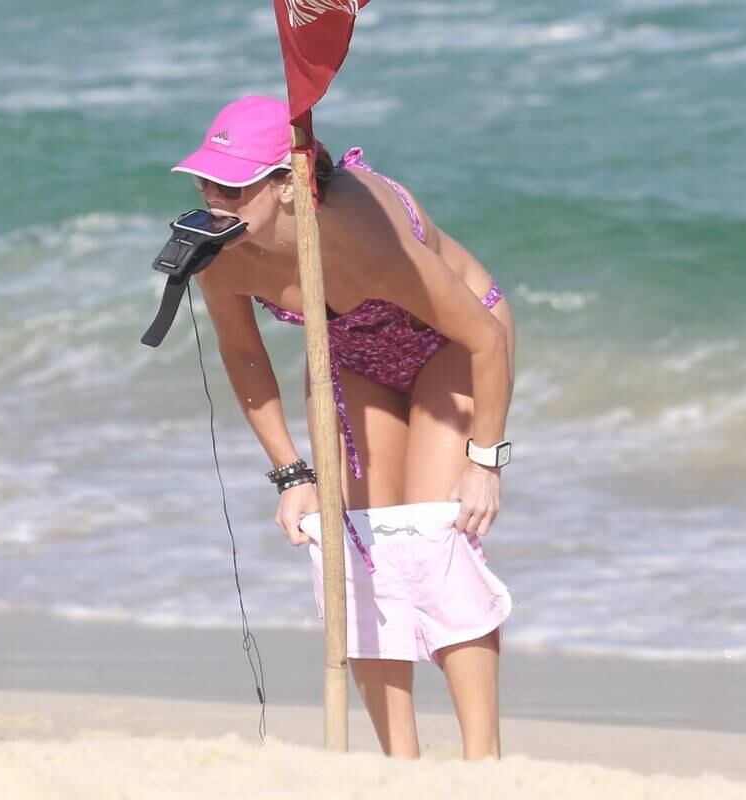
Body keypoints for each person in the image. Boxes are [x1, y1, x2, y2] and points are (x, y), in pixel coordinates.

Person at [173, 95, 516, 760]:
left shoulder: (364, 236)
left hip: (451, 344)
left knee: (431, 537)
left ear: (289, 185)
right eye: (205, 180)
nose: (213, 198)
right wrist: (292, 474)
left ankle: (484, 764)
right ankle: (400, 768)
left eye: (234, 185)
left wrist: (485, 459)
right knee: (356, 549)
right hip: (350, 358)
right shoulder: (221, 254)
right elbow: (243, 354)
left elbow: (483, 340)